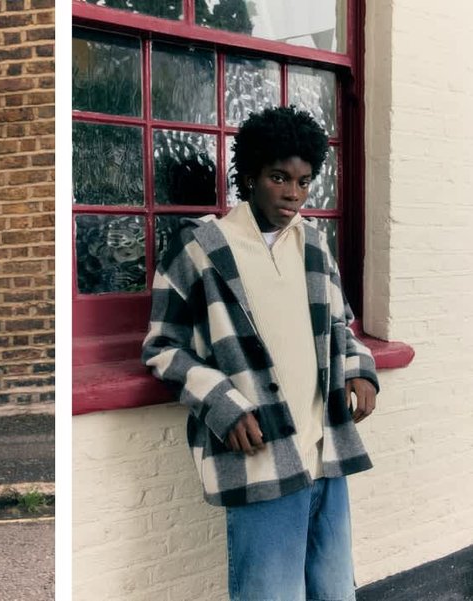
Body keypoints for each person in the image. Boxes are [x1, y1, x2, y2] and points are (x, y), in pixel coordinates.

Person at [141, 106, 378, 600]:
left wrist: (359, 369)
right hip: (261, 459)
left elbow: (341, 324)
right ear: (249, 176)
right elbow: (163, 348)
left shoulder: (313, 244)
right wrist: (223, 405)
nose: (294, 193)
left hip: (324, 452)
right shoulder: (201, 248)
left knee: (336, 592)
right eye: (279, 177)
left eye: (305, 181)